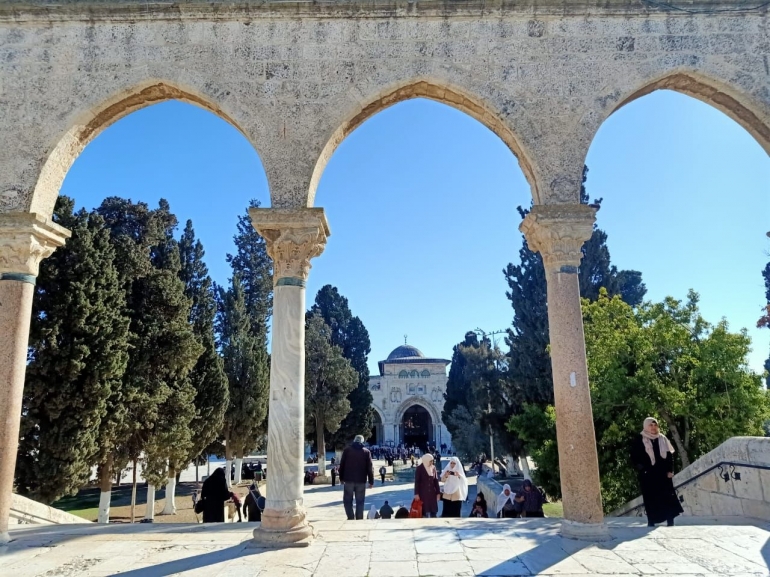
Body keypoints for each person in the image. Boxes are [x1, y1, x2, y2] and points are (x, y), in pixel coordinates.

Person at [631, 417, 684, 527]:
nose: (653, 427)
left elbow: (669, 456)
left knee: (667, 496)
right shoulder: (639, 439)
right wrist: (642, 469)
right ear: (646, 426)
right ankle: (652, 520)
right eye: (651, 425)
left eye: (655, 425)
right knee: (651, 498)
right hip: (648, 475)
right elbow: (634, 457)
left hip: (663, 474)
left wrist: (670, 470)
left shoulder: (662, 438)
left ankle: (670, 520)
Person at [339, 434, 374, 520]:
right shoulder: (366, 452)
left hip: (348, 480)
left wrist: (341, 478)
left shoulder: (347, 451)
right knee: (360, 502)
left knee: (347, 501)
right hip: (361, 481)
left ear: (354, 440)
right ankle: (359, 519)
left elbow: (342, 465)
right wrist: (371, 481)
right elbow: (370, 468)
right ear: (362, 442)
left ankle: (350, 517)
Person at [414, 453, 440, 518]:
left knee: (433, 510)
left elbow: (436, 481)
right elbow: (417, 481)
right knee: (424, 510)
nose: (432, 462)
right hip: (423, 493)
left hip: (432, 493)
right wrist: (416, 493)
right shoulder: (420, 468)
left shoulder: (433, 468)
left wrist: (438, 493)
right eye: (430, 461)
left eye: (432, 461)